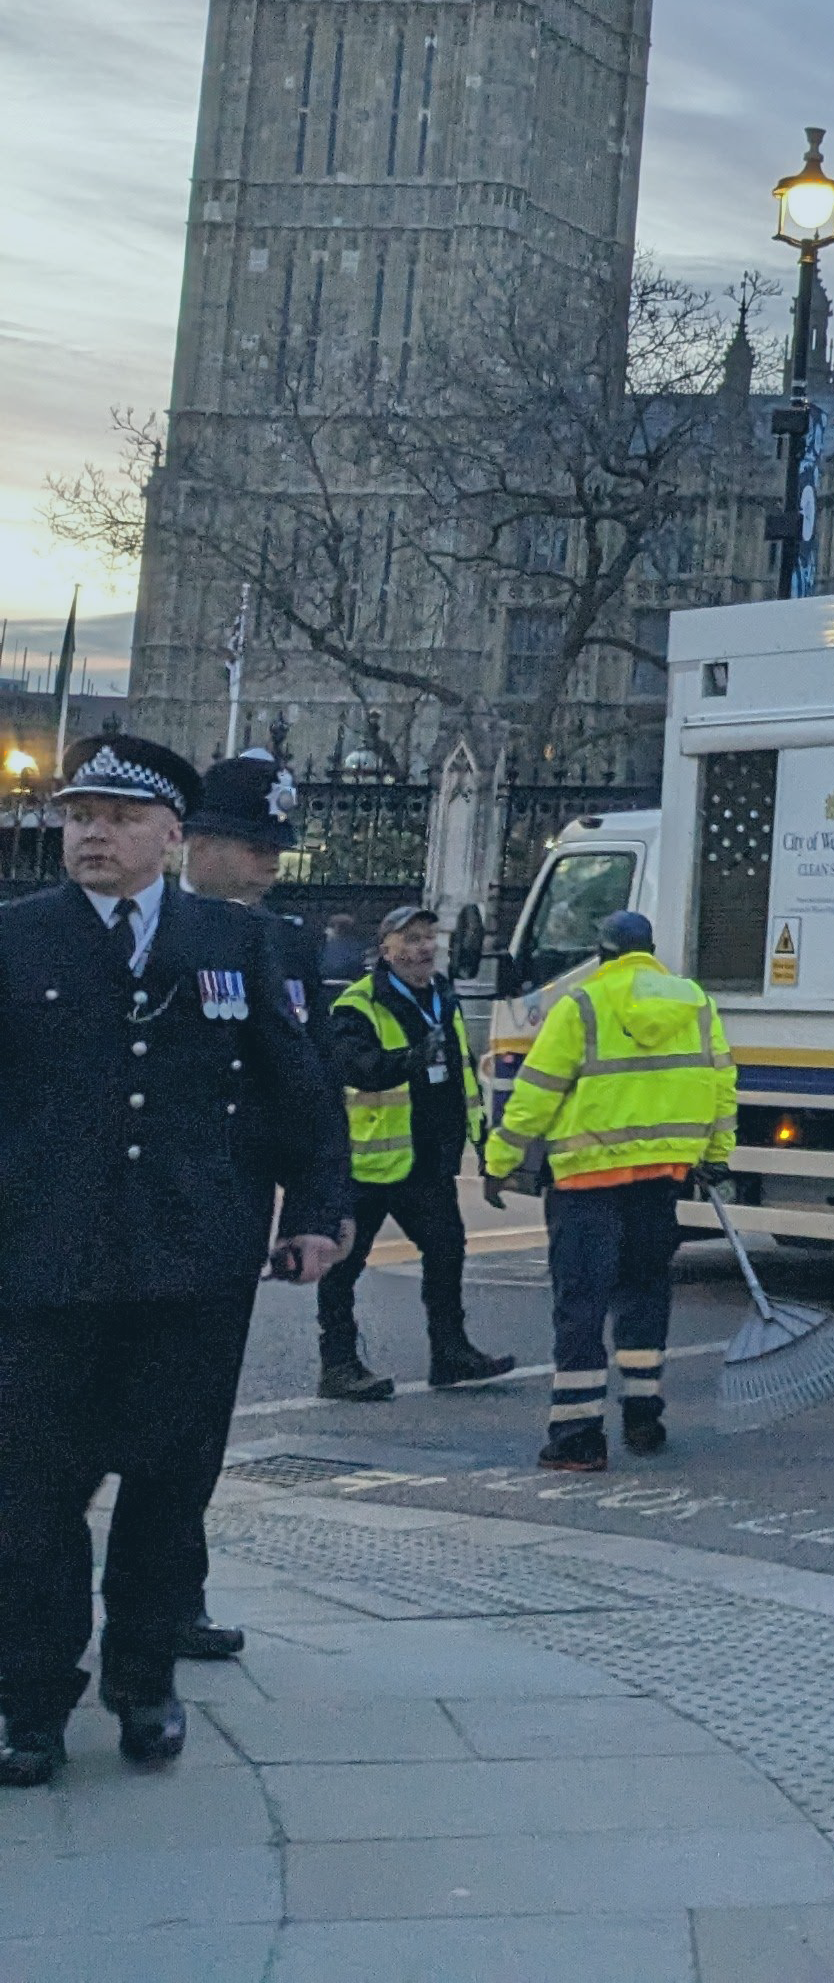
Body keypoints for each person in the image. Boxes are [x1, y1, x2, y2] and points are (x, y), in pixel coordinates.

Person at [0, 736, 349, 1785]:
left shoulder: (234, 946)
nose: (91, 834)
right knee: (30, 1497)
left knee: (165, 1486)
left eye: (114, 817)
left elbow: (301, 1091)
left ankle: (144, 1683)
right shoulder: (18, 942)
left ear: (170, 836)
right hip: (40, 1268)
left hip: (191, 1268)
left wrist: (317, 1211)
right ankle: (31, 1701)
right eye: (77, 816)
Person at [486, 909, 734, 1471]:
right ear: (650, 950)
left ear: (601, 954)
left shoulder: (582, 1005)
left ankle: (577, 1436)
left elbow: (537, 1092)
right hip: (661, 1180)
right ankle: (644, 1418)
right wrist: (715, 1155)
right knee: (645, 1294)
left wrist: (501, 1160)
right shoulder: (694, 1001)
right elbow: (722, 1082)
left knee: (581, 1304)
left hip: (585, 1183)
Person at [312, 901, 517, 1401]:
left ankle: (450, 1353)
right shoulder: (358, 1005)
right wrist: (409, 1059)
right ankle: (338, 1366)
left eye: (429, 938)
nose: (423, 948)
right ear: (386, 950)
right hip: (368, 1162)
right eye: (411, 940)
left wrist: (480, 1138)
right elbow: (359, 1069)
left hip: (427, 1158)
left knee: (447, 1251)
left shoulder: (443, 997)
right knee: (343, 1264)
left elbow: (463, 1073)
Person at [180, 747, 325, 1024]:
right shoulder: (156, 929)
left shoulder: (290, 941)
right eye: (258, 849)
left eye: (278, 851)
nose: (274, 863)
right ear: (201, 846)